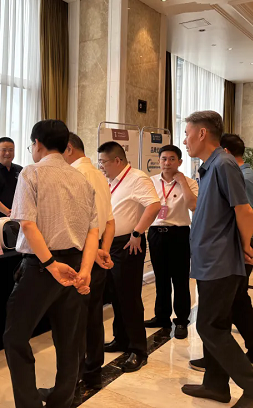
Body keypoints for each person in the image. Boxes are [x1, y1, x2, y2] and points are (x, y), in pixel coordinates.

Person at [180, 111, 253, 408]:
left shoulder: (223, 163)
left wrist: (245, 245)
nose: (184, 141)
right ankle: (216, 385)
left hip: (220, 262)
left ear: (202, 133)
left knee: (209, 326)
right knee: (216, 324)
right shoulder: (210, 166)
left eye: (187, 134)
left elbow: (245, 212)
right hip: (210, 260)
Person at [3, 120, 99, 408]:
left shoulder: (31, 172)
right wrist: (85, 271)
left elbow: (27, 224)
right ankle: (62, 400)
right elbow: (93, 231)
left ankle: (29, 403)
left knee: (15, 336)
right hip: (75, 264)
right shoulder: (81, 179)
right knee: (69, 338)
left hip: (42, 266)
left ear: (38, 144)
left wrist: (51, 264)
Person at [189, 133, 253, 373]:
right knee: (232, 307)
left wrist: (245, 246)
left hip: (233, 253)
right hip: (228, 252)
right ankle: (222, 363)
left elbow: (249, 216)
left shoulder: (237, 173)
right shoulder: (226, 170)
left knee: (232, 308)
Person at [98, 141, 160, 372]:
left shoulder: (137, 178)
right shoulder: (111, 180)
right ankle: (121, 338)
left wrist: (137, 232)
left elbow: (153, 205)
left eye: (104, 162)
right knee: (115, 294)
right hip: (110, 243)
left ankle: (138, 349)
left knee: (129, 297)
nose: (101, 166)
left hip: (127, 243)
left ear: (117, 160)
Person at [63, 132, 115, 390]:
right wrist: (103, 252)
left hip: (81, 257)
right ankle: (93, 373)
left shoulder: (74, 175)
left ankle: (71, 382)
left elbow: (80, 225)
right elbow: (109, 221)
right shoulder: (100, 174)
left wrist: (93, 253)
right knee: (94, 318)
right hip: (97, 254)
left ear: (68, 148)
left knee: (75, 323)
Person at [144, 144, 198, 340]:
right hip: (156, 233)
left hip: (179, 234)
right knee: (161, 278)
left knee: (180, 279)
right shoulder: (151, 182)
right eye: (164, 159)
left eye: (172, 159)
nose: (167, 163)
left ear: (180, 162)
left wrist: (181, 181)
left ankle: (182, 320)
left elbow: (194, 205)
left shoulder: (190, 182)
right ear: (159, 161)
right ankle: (162, 316)